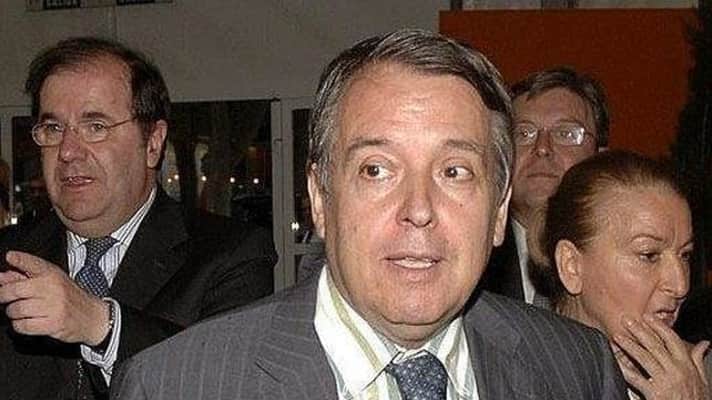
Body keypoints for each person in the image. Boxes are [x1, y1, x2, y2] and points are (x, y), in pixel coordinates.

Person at [111, 29, 626, 400]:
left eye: (454, 172)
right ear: (320, 198)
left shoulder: (578, 367)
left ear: (497, 211)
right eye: (377, 170)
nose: (419, 210)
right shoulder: (175, 385)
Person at [0, 37, 276, 400]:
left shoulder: (232, 255)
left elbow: (227, 382)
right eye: (53, 129)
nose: (67, 151)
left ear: (153, 143)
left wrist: (102, 325)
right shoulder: (9, 257)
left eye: (95, 127)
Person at [527, 150, 711, 399]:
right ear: (571, 266)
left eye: (685, 255)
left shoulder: (703, 375)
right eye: (649, 255)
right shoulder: (508, 375)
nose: (680, 285)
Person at [480, 66, 609, 305]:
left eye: (566, 134)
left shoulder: (627, 259)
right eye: (523, 133)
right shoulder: (473, 255)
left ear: (599, 159)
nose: (542, 148)